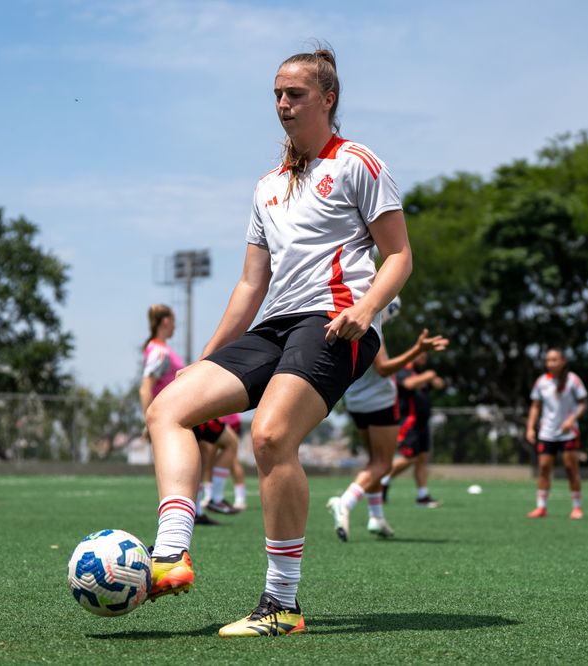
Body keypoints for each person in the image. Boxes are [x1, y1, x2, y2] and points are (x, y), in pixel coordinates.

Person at [144, 45, 411, 637]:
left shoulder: (357, 164)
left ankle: (282, 605)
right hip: (276, 324)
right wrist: (205, 361)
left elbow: (398, 254)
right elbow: (249, 284)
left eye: (295, 94)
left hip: (336, 320)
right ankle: (171, 553)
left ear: (328, 99)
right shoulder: (266, 186)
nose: (283, 104)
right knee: (168, 408)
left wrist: (366, 310)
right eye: (276, 94)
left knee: (269, 434)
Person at [328, 320, 448, 541]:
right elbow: (383, 369)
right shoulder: (368, 323)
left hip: (355, 400)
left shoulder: (340, 322)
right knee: (383, 464)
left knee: (374, 461)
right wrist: (417, 350)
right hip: (380, 401)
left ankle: (376, 517)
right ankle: (345, 502)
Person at [138, 304, 236, 525]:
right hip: (180, 410)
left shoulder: (159, 348)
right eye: (173, 321)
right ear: (165, 322)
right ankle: (216, 498)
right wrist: (149, 420)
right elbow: (146, 387)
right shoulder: (159, 350)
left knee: (200, 456)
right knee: (229, 442)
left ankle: (197, 510)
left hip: (182, 410)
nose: (174, 326)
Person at [525, 348, 588, 519]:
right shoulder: (542, 382)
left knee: (570, 468)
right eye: (548, 360)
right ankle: (541, 507)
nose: (550, 363)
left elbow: (583, 404)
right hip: (547, 432)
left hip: (568, 432)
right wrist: (530, 427)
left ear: (563, 361)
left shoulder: (573, 380)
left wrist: (572, 419)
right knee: (544, 468)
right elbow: (535, 406)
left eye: (554, 360)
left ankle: (576, 507)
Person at [380, 353, 445, 506]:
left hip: (423, 423)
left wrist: (432, 377)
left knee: (422, 459)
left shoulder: (421, 373)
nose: (424, 359)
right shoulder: (402, 370)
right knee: (409, 457)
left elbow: (439, 384)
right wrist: (428, 376)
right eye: (421, 355)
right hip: (409, 421)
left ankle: (422, 496)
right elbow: (409, 384)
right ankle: (382, 479)